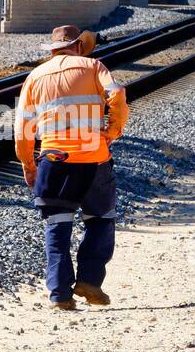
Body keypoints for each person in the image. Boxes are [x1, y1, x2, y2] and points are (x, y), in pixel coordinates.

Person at [15, 25, 128, 310]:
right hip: (94, 159)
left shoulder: (34, 77)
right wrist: (112, 131)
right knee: (101, 219)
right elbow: (118, 95)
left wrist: (29, 164)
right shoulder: (93, 66)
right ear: (78, 46)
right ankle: (89, 279)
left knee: (57, 226)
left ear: (52, 50)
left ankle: (60, 295)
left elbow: (22, 129)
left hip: (53, 162)